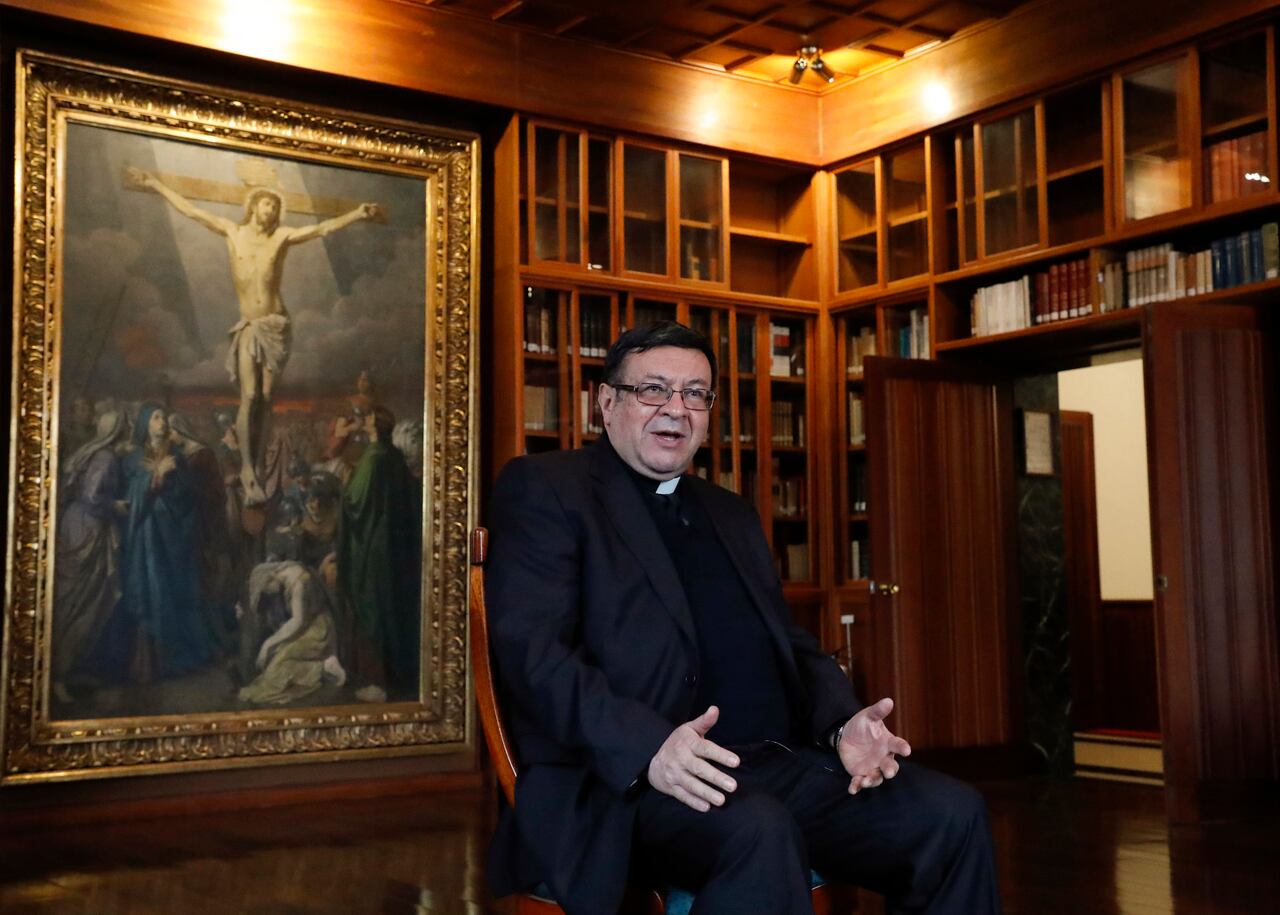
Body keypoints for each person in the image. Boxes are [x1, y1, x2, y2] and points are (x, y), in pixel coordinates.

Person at [484, 322, 1000, 914]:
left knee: (951, 815)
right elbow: (535, 655)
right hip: (631, 780)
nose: (675, 409)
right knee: (759, 829)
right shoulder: (549, 489)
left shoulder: (729, 512)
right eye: (653, 390)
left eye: (695, 394)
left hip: (771, 763)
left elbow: (788, 642)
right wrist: (651, 748)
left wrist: (842, 724)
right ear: (607, 402)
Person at [125, 167, 380, 505]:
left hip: (276, 325)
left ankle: (257, 462)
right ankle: (247, 467)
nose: (271, 211)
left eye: (275, 207)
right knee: (249, 396)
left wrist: (357, 214)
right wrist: (156, 184)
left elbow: (321, 228)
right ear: (254, 206)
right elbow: (192, 211)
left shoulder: (281, 237)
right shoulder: (233, 231)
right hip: (250, 325)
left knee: (266, 396)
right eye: (265, 205)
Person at [118, 403, 216, 682]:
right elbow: (131, 495)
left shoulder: (178, 457)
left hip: (174, 538)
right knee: (153, 589)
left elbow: (188, 496)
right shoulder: (134, 458)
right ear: (146, 424)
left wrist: (170, 481)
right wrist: (156, 475)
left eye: (163, 417)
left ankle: (179, 657)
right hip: (148, 537)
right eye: (156, 417)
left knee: (175, 592)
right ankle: (150, 663)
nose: (162, 422)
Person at [336, 405, 421, 702]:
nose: (364, 419)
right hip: (391, 544)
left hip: (373, 547)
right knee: (388, 606)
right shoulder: (393, 455)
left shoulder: (374, 458)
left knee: (371, 606)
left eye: (368, 416)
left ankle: (376, 680)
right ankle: (392, 675)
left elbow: (355, 501)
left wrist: (344, 479)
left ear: (375, 423)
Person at [51, 409, 130, 703]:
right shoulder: (106, 457)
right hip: (90, 531)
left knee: (75, 601)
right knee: (85, 602)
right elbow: (94, 496)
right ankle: (60, 674)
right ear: (117, 429)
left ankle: (67, 670)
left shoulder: (91, 451)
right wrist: (117, 505)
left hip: (76, 523)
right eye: (126, 425)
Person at [236, 560, 345, 706]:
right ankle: (322, 668)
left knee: (275, 671)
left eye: (266, 590)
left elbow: (297, 622)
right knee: (275, 661)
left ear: (270, 578)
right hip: (305, 628)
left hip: (317, 631)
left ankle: (324, 667)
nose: (270, 593)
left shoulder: (299, 581)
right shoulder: (290, 572)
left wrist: (267, 645)